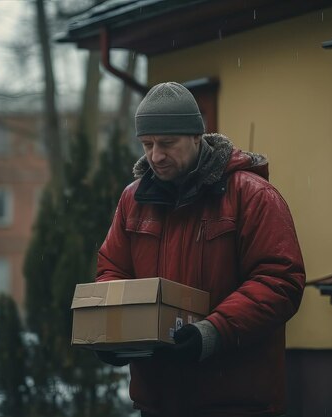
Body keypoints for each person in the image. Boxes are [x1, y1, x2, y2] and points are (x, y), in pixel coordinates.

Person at [95, 82, 305, 417]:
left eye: (167, 143)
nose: (155, 156)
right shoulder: (132, 200)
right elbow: (112, 271)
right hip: (157, 402)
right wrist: (112, 331)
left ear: (196, 136)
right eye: (147, 144)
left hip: (233, 401)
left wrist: (214, 332)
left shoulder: (253, 195)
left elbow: (279, 280)